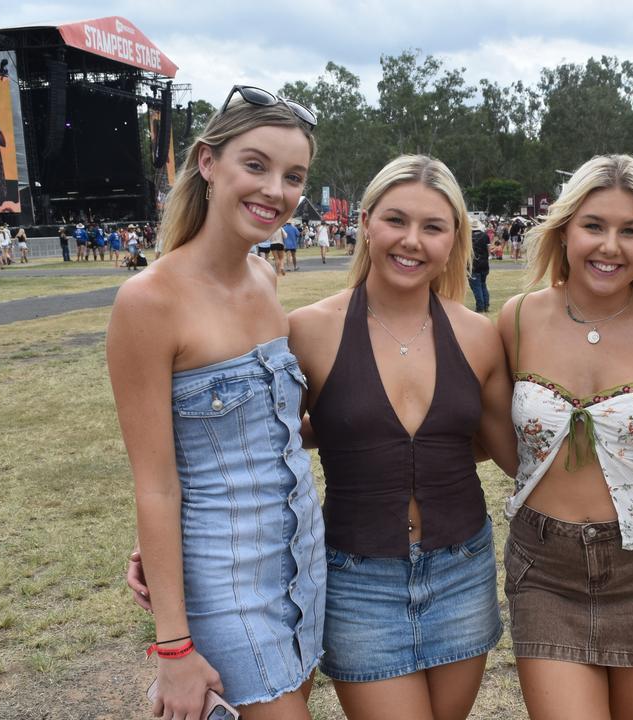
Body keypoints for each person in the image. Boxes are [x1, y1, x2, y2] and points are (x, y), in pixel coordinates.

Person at [107, 85, 326, 718]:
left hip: (304, 559)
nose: (275, 190)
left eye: (293, 176)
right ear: (208, 163)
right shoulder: (148, 302)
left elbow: (278, 429)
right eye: (254, 165)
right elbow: (155, 486)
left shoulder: (266, 276)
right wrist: (174, 649)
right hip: (225, 581)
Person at [287, 154, 516, 719]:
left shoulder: (478, 335)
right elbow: (266, 445)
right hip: (357, 578)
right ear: (365, 222)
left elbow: (511, 452)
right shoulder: (309, 330)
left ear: (453, 237)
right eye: (396, 220)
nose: (411, 241)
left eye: (432, 226)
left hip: (462, 567)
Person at [498, 154, 633, 720]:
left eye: (630, 231)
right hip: (545, 570)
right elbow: (491, 435)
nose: (610, 246)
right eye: (594, 226)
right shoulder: (516, 320)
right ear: (564, 230)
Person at [468, 218, 491, 312]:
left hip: (473, 264)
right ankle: (486, 305)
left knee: (476, 286)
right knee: (483, 285)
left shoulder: (468, 237)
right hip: (484, 264)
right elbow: (488, 250)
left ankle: (480, 307)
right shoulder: (485, 236)